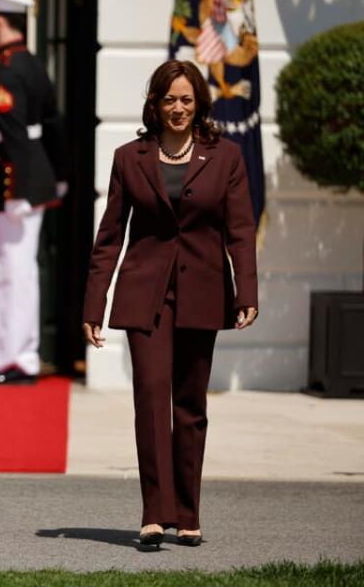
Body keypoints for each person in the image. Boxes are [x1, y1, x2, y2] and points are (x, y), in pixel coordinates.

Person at [82, 60, 258, 548]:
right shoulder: (129, 157)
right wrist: (93, 306)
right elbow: (108, 238)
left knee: (191, 404)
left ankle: (189, 512)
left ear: (199, 103)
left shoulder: (227, 157)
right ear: (154, 105)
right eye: (168, 100)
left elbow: (240, 232)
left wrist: (247, 292)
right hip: (146, 296)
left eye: (186, 100)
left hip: (203, 293)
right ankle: (154, 513)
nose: (178, 109)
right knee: (152, 399)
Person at [0, 0, 71, 385]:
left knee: (11, 271)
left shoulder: (8, 70)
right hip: (20, 181)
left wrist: (17, 190)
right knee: (2, 271)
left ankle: (17, 359)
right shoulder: (28, 63)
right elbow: (53, 125)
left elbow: (15, 136)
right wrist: (59, 176)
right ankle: (3, 356)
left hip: (14, 183)